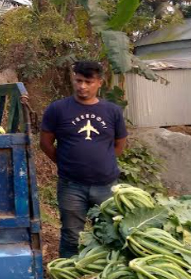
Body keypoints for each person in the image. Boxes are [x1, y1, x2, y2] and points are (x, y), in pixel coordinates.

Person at [39, 61, 128, 258]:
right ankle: (69, 270)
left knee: (108, 233)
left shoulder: (112, 111)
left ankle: (102, 270)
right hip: (72, 186)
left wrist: (102, 163)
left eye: (88, 81)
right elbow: (45, 143)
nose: (82, 86)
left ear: (100, 83)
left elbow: (120, 144)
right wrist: (65, 163)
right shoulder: (58, 109)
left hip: (106, 186)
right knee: (71, 235)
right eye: (78, 80)